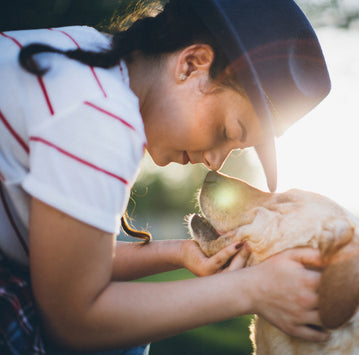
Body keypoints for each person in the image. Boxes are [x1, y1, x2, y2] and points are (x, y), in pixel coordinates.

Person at [0, 0, 331, 353]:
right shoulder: (101, 118)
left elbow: (71, 264)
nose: (215, 163)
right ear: (191, 64)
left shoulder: (86, 53)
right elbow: (74, 319)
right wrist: (253, 289)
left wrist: (181, 253)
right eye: (226, 131)